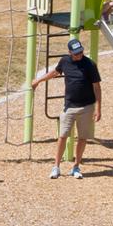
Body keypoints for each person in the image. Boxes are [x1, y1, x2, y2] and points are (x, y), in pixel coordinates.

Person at [30, 39, 102, 178]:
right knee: (62, 136)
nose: (79, 55)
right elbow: (54, 73)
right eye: (76, 53)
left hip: (87, 107)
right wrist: (39, 80)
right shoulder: (65, 61)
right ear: (70, 52)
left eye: (81, 52)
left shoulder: (90, 64)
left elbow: (97, 87)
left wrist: (98, 109)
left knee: (82, 138)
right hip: (69, 106)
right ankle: (56, 166)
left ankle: (76, 166)